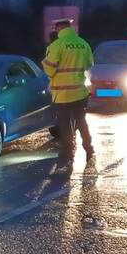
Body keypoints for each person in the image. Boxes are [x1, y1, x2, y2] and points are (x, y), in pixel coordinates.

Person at [41, 19, 94, 166]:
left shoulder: (56, 45)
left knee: (65, 125)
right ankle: (89, 149)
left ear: (59, 27)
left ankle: (68, 153)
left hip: (63, 94)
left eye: (56, 27)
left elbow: (50, 69)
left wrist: (44, 62)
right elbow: (89, 64)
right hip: (80, 92)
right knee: (81, 121)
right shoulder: (83, 43)